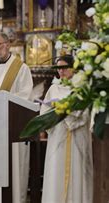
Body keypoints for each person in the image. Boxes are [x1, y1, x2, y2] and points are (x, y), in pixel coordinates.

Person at [0, 32, 34, 203]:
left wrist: (2, 99)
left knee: (13, 174)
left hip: (11, 130)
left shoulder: (20, 68)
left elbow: (26, 97)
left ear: (8, 44)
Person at [40, 55, 93, 202]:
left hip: (77, 135)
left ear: (73, 68)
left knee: (77, 172)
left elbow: (87, 112)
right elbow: (44, 112)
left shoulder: (82, 87)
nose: (61, 71)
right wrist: (53, 116)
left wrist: (68, 114)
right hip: (58, 136)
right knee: (57, 171)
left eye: (64, 67)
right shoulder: (53, 88)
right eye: (58, 68)